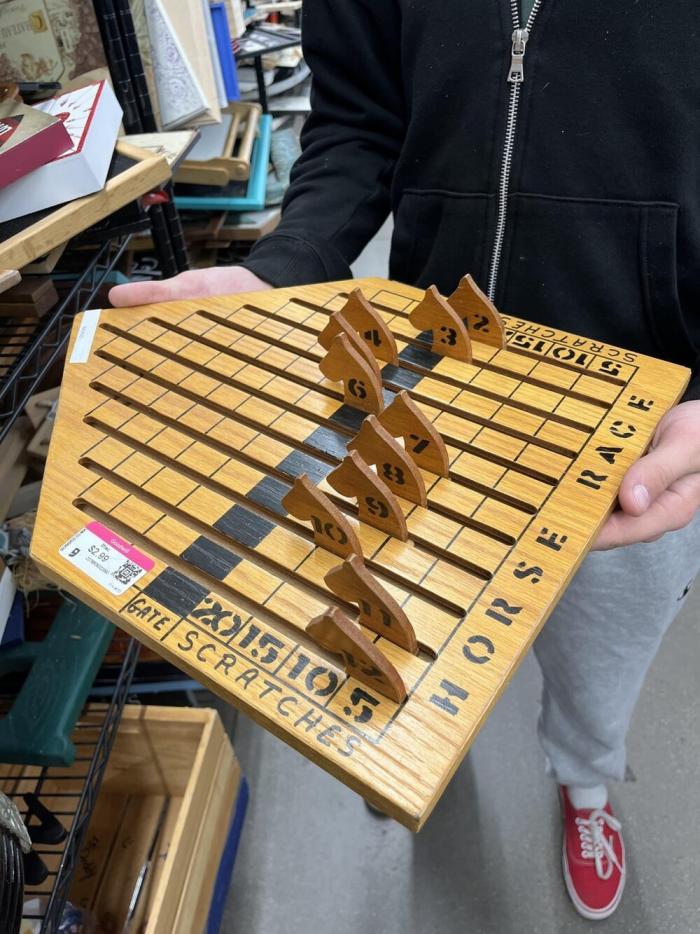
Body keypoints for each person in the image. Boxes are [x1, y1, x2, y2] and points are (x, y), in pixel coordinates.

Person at [110, 0, 700, 921]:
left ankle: (585, 782)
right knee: (399, 614)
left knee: (601, 652)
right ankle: (416, 738)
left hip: (644, 420)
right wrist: (285, 263)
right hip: (423, 386)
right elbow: (361, 114)